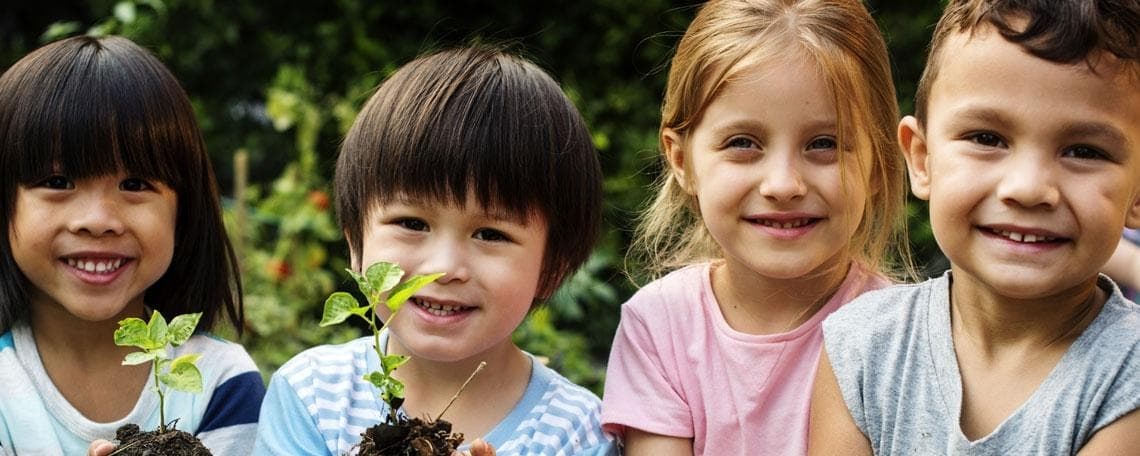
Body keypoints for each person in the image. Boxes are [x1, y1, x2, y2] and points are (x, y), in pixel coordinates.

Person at [809, 0, 1140, 453]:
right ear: (922, 159)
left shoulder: (1128, 377)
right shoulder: (862, 347)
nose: (1027, 188)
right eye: (987, 139)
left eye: (1084, 151)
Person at [252, 46, 617, 456]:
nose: (444, 267)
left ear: (552, 268)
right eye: (412, 224)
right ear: (355, 242)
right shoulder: (314, 396)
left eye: (490, 234)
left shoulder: (576, 433)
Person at [599, 0, 915, 454]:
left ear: (877, 166)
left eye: (824, 144)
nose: (783, 185)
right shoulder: (660, 325)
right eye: (743, 143)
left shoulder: (905, 337)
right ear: (682, 160)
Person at [0, 35, 265, 455]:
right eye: (57, 182)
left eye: (135, 184)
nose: (97, 221)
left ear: (184, 210)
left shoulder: (220, 381)